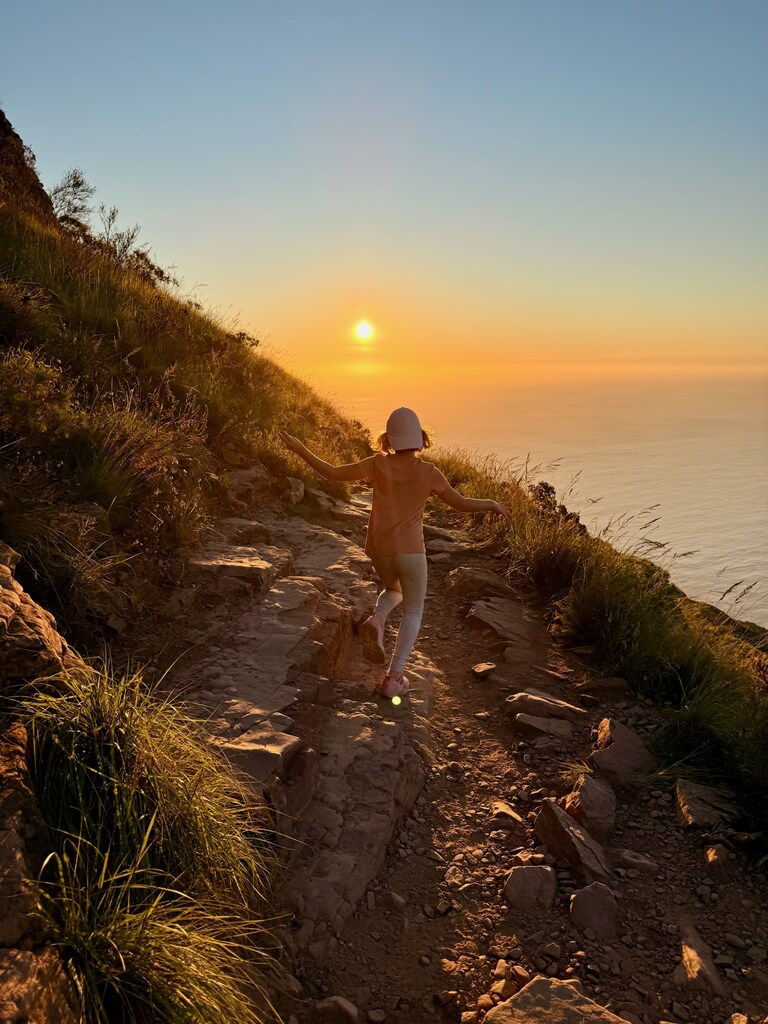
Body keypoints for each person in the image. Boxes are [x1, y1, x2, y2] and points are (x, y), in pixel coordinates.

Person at [279, 408, 510, 698]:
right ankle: (394, 678)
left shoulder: (377, 464)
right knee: (414, 609)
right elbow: (460, 503)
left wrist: (300, 449)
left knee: (394, 589)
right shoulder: (428, 472)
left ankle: (377, 619)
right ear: (421, 439)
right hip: (411, 551)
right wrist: (492, 504)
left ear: (388, 440)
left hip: (379, 548)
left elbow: (332, 473)